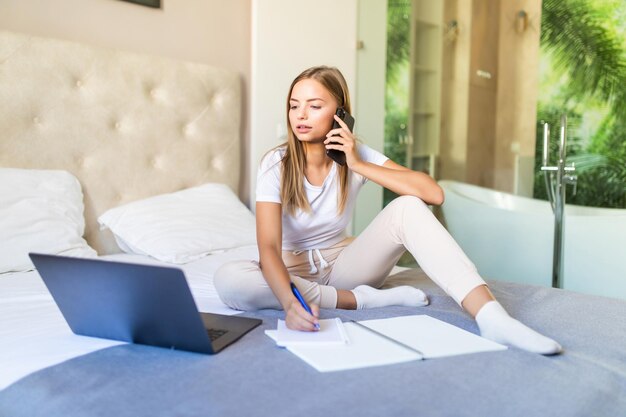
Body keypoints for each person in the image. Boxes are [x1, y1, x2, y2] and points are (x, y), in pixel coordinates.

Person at [214, 65, 561, 355]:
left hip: (344, 266)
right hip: (292, 270)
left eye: (314, 105)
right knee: (229, 280)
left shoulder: (358, 155)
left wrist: (357, 164)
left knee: (408, 206)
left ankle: (492, 317)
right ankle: (364, 301)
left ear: (340, 114)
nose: (300, 115)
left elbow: (432, 194)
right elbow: (269, 250)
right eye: (294, 105)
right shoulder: (277, 163)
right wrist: (292, 305)